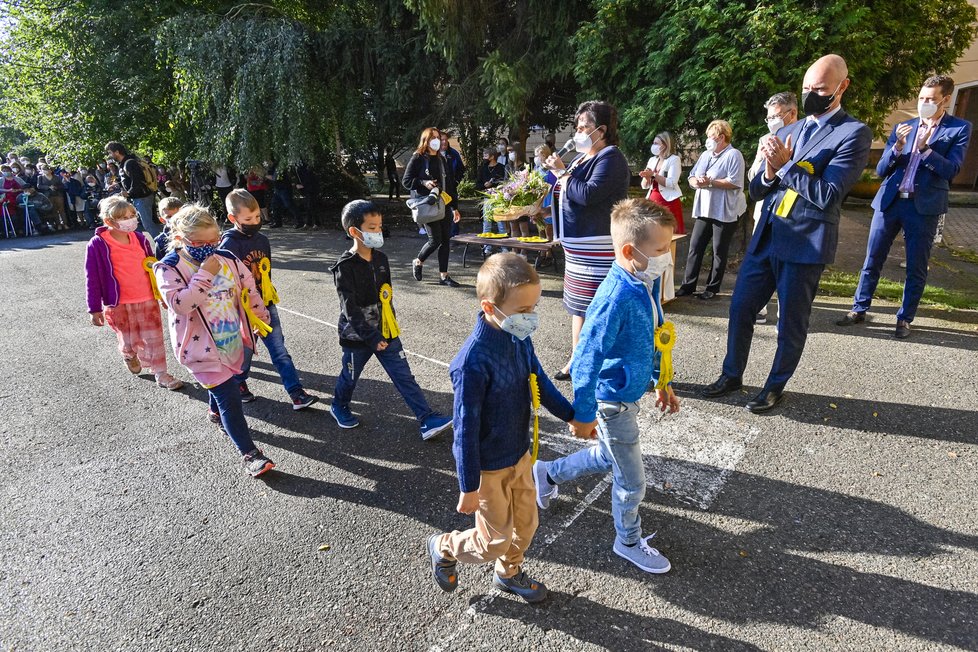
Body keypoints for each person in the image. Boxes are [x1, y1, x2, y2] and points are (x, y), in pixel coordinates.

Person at [702, 54, 872, 413]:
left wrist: (784, 166)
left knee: (791, 323)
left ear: (843, 87)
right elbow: (759, 191)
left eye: (821, 89)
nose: (812, 94)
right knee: (741, 307)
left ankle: (775, 385)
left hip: (805, 243)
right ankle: (731, 374)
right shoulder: (786, 130)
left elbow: (828, 194)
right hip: (767, 236)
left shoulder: (853, 133)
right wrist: (766, 172)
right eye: (807, 88)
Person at [534, 198, 680, 574]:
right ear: (631, 251)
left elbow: (654, 335)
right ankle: (627, 540)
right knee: (631, 480)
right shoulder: (616, 296)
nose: (667, 256)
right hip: (612, 399)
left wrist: (662, 381)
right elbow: (585, 359)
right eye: (661, 249)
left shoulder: (641, 280)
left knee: (608, 456)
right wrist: (582, 414)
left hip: (626, 393)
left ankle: (547, 472)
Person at [427, 253, 578, 603]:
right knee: (492, 540)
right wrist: (468, 485)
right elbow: (465, 428)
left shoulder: (518, 338)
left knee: (526, 526)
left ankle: (508, 573)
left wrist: (571, 416)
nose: (531, 318)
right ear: (490, 307)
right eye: (523, 310)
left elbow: (538, 380)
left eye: (534, 307)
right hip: (487, 469)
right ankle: (444, 546)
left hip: (519, 455)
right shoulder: (472, 362)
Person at [838, 75, 972, 339]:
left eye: (931, 99)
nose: (925, 103)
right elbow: (880, 169)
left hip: (923, 207)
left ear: (946, 100)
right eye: (922, 98)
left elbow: (952, 170)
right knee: (872, 259)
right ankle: (859, 308)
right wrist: (898, 147)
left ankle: (904, 318)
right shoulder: (904, 127)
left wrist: (926, 151)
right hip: (889, 202)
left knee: (916, 266)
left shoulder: (958, 129)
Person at [154, 204, 276, 477]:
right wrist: (206, 273)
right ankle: (250, 454)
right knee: (229, 396)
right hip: (199, 348)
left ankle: (214, 411)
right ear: (181, 239)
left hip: (231, 338)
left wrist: (260, 318)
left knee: (228, 383)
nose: (209, 248)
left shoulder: (229, 258)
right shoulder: (169, 267)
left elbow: (249, 289)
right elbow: (181, 305)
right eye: (199, 243)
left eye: (214, 241)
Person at [328, 199, 454, 439]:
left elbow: (386, 298)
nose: (379, 232)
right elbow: (349, 309)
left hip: (387, 332)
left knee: (403, 375)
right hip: (358, 336)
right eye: (372, 228)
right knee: (350, 375)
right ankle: (339, 405)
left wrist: (388, 329)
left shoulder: (381, 259)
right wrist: (372, 337)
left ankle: (426, 418)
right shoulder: (344, 267)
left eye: (380, 226)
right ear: (354, 231)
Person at [545, 100, 631, 380]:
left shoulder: (611, 158)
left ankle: (603, 365)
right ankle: (577, 360)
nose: (578, 132)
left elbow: (586, 194)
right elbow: (565, 191)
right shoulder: (582, 158)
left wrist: (561, 171)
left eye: (585, 127)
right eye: (577, 126)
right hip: (577, 251)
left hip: (599, 249)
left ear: (602, 130)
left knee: (600, 310)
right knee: (578, 308)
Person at [219, 189, 318, 410]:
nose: (255, 222)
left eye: (257, 217)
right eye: (248, 219)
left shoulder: (262, 240)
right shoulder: (227, 246)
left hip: (265, 304)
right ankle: (236, 386)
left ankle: (296, 393)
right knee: (242, 354)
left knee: (279, 350)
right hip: (241, 311)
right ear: (233, 219)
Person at [85, 196, 183, 391]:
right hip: (119, 302)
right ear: (108, 221)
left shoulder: (139, 238)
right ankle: (129, 354)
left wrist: (162, 294)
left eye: (131, 215)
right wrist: (94, 308)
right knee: (129, 339)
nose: (130, 219)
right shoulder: (98, 244)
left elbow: (153, 267)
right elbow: (92, 277)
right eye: (123, 217)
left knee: (154, 338)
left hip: (146, 297)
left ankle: (161, 373)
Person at [678, 120, 746, 300]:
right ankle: (688, 285)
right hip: (704, 209)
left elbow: (735, 182)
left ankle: (712, 287)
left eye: (711, 136)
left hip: (724, 211)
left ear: (722, 137)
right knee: (695, 247)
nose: (708, 140)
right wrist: (695, 182)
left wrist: (710, 182)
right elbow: (692, 176)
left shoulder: (733, 155)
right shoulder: (706, 154)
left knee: (719, 251)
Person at [748, 92, 800, 323]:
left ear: (792, 113)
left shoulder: (804, 136)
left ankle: (784, 315)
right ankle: (759, 307)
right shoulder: (764, 140)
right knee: (762, 257)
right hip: (764, 208)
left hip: (791, 209)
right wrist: (761, 160)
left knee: (785, 263)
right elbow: (752, 178)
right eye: (768, 118)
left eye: (776, 116)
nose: (772, 122)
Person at [402, 127, 462, 287]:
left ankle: (444, 276)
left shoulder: (442, 159)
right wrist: (423, 182)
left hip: (443, 203)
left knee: (445, 241)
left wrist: (454, 207)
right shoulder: (418, 158)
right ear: (426, 140)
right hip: (427, 204)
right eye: (433, 138)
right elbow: (406, 181)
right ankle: (418, 261)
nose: (437, 141)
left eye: (439, 138)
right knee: (435, 240)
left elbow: (449, 184)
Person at [105, 142, 159, 237]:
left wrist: (128, 193)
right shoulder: (126, 163)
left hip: (142, 198)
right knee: (134, 227)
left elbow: (137, 181)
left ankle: (164, 248)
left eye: (110, 152)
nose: (109, 155)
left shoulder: (130, 163)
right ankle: (138, 247)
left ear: (117, 152)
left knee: (148, 225)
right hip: (140, 198)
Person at [639, 132, 684, 234]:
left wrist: (654, 175)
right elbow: (644, 185)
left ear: (665, 145)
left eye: (656, 143)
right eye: (653, 143)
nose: (653, 146)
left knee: (668, 232)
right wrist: (646, 177)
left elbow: (671, 183)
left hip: (668, 201)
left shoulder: (674, 159)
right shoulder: (652, 160)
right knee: (652, 233)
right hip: (652, 200)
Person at [478, 148, 508, 244]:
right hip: (487, 198)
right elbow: (477, 184)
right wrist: (484, 185)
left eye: (486, 155)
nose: (484, 157)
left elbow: (504, 182)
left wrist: (494, 184)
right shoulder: (482, 168)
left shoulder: (501, 168)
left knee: (501, 224)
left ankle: (504, 247)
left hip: (499, 198)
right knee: (487, 223)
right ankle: (487, 248)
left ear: (492, 156)